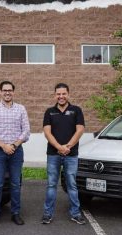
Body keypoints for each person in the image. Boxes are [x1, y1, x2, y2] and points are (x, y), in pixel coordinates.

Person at [0, 81, 30, 227]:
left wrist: (14, 145)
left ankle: (15, 214)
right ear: (0, 92)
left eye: (10, 90)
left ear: (14, 92)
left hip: (16, 152)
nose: (7, 93)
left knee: (15, 184)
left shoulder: (21, 109)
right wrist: (4, 146)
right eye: (4, 90)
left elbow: (26, 132)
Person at [41, 83, 86, 225]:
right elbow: (47, 132)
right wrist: (59, 147)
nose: (61, 96)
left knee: (72, 184)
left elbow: (80, 130)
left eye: (63, 94)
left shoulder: (76, 110)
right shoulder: (49, 112)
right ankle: (47, 214)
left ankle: (75, 213)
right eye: (58, 94)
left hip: (71, 155)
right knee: (51, 185)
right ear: (55, 95)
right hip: (53, 155)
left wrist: (68, 146)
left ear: (68, 94)